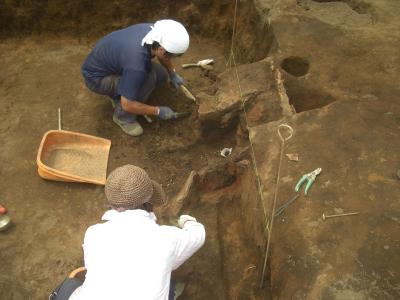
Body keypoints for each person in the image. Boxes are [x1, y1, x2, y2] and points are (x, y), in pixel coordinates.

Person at [49, 164, 205, 300]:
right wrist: (188, 221)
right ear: (149, 200)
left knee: (73, 282)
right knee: (167, 284)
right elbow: (198, 235)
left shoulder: (94, 233)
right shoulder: (169, 237)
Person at [81, 20, 189, 136]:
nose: (173, 59)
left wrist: (172, 73)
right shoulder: (137, 65)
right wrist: (158, 111)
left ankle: (122, 91)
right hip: (97, 78)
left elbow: (164, 56)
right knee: (148, 78)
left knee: (161, 75)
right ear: (162, 50)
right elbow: (128, 104)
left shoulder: (154, 33)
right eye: (173, 56)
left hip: (114, 62)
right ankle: (122, 117)